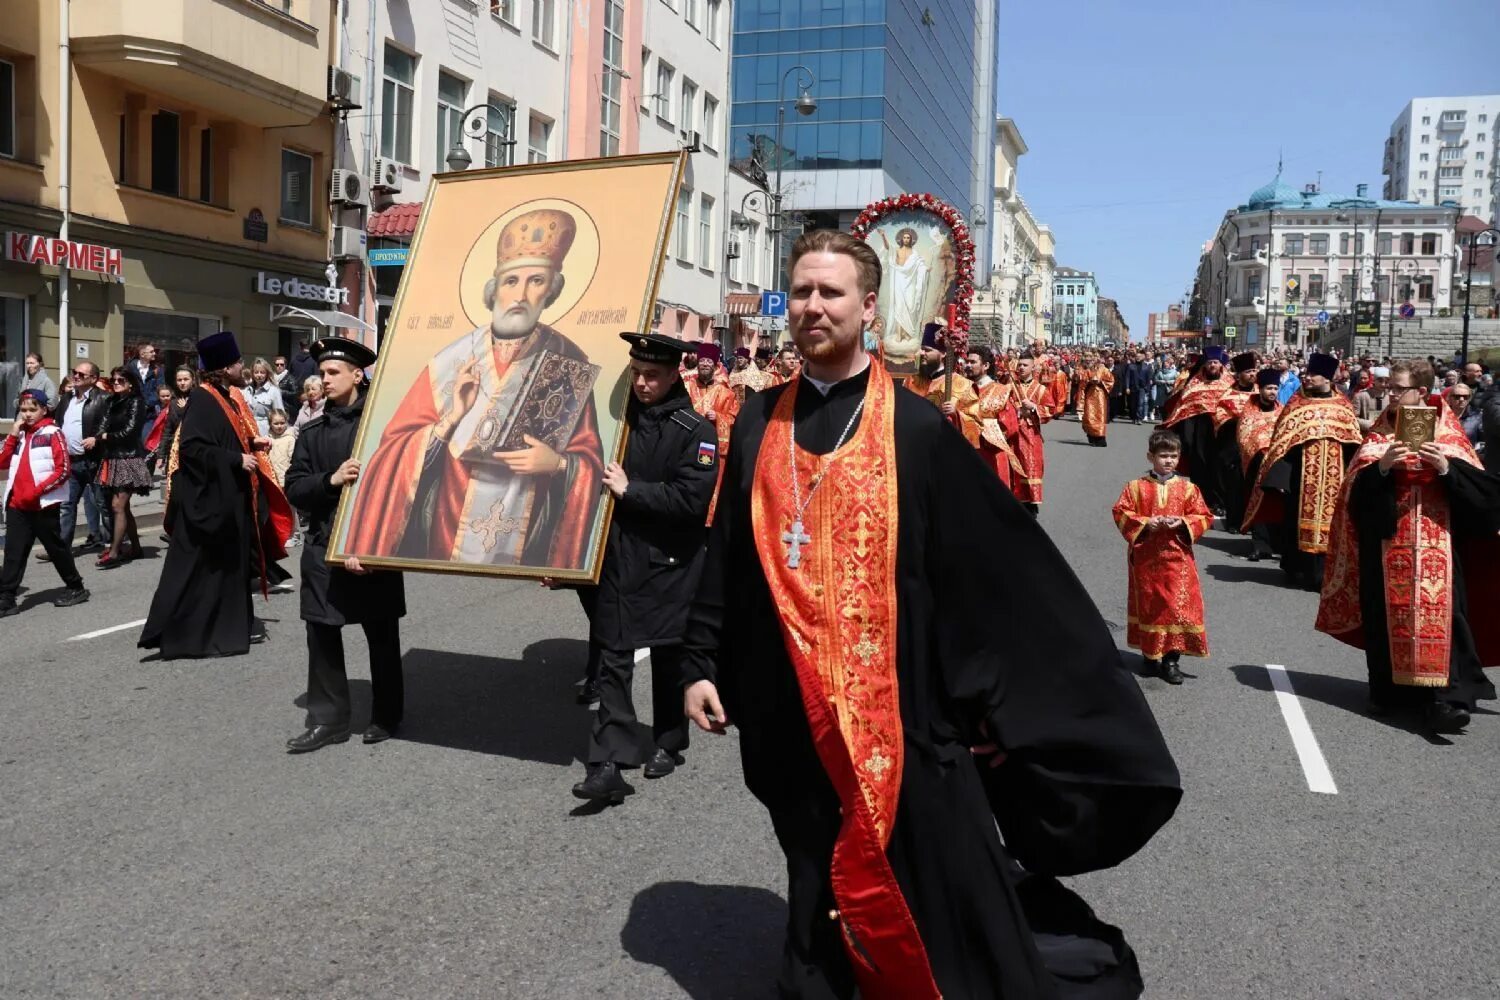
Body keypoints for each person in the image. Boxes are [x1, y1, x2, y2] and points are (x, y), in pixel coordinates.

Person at [680, 229, 1180, 999]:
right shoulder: (754, 422)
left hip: (899, 708)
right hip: (785, 703)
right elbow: (729, 554)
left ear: (869, 306)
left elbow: (986, 577)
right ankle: (819, 974)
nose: (814, 307)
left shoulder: (914, 430)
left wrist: (985, 706)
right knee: (810, 853)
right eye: (804, 291)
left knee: (911, 870)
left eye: (832, 293)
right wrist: (699, 661)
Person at [345, 209, 606, 570]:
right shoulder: (450, 361)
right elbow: (395, 448)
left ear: (552, 291)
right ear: (494, 288)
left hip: (527, 532)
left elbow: (589, 457)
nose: (521, 295)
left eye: (537, 281)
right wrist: (451, 418)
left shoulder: (567, 360)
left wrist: (559, 464)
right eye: (512, 280)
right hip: (444, 527)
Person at [570, 332, 718, 802]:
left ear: (676, 374)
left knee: (669, 654)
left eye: (652, 375)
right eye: (636, 373)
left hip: (669, 561)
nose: (641, 383)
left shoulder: (696, 429)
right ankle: (608, 761)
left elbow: (692, 499)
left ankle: (670, 741)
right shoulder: (616, 423)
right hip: (618, 557)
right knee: (613, 654)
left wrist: (632, 490)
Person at [1317, 360, 1500, 736]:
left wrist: (1448, 470)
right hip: (1388, 544)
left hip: (1441, 546)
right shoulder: (1380, 435)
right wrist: (1381, 469)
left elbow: (1484, 497)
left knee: (1447, 618)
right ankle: (1391, 692)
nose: (1393, 394)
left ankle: (1444, 701)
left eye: (1400, 389)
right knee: (1388, 617)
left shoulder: (1450, 436)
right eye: (1391, 388)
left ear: (1422, 391)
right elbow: (1352, 494)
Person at [283, 337, 407, 752]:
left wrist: (371, 547)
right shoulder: (313, 430)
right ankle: (329, 720)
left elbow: (402, 490)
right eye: (322, 372)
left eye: (334, 372)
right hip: (323, 548)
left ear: (358, 375)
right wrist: (330, 480)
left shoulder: (384, 428)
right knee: (320, 633)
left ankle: (387, 715)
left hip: (373, 549)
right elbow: (295, 487)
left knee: (382, 636)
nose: (325, 379)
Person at [140, 332, 295, 658]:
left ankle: (225, 628)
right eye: (238, 362)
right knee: (198, 573)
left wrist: (251, 445)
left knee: (226, 572)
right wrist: (237, 459)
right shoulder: (204, 398)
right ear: (224, 368)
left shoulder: (226, 396)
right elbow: (194, 448)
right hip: (209, 504)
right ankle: (184, 634)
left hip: (228, 501)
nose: (243, 367)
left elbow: (222, 439)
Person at [1243, 353, 1362, 591]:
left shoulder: (1343, 406)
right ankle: (1298, 569)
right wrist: (1279, 475)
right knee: (1295, 520)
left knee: (1333, 522)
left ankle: (1326, 572)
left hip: (1334, 477)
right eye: (1306, 373)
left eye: (1312, 375)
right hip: (1300, 477)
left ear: (1327, 378)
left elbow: (1354, 439)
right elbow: (1282, 441)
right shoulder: (1297, 404)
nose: (1306, 378)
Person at [1112, 430, 1212, 685]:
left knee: (1177, 607)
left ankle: (1171, 659)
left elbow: (1203, 516)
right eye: (1163, 456)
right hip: (1146, 558)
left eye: (1173, 456)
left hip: (1178, 558)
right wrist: (1146, 522)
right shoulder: (1136, 487)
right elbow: (1121, 512)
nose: (1168, 461)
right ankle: (1150, 655)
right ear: (1151, 457)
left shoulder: (1188, 488)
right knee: (1150, 605)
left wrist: (1181, 522)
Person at [0, 390, 90, 617]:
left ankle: (76, 587)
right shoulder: (19, 434)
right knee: (14, 552)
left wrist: (37, 491)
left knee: (56, 548)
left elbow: (63, 470)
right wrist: (11, 436)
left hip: (43, 504)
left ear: (44, 409)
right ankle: (7, 598)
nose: (28, 414)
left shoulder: (53, 433)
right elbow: (2, 462)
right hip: (17, 504)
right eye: (24, 410)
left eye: (32, 409)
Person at [1158, 345, 1232, 511]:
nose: (1212, 365)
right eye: (1209, 362)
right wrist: (1186, 436)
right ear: (1205, 365)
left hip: (1221, 431)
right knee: (1199, 464)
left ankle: (1218, 502)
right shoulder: (1195, 383)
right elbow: (1185, 406)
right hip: (1199, 428)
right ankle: (1201, 499)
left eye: (1215, 362)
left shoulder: (1229, 384)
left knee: (1219, 466)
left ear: (1221, 364)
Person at [51, 360, 112, 554]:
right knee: (66, 506)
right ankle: (62, 549)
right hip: (71, 461)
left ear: (93, 379)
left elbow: (111, 425)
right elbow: (58, 423)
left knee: (103, 503)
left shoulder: (104, 398)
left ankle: (112, 545)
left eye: (81, 374)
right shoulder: (67, 398)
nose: (75, 376)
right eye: (74, 372)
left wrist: (96, 438)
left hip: (94, 461)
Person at [94, 366, 151, 569]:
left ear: (131, 384)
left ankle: (115, 552)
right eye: (114, 380)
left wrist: (105, 437)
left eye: (121, 380)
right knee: (123, 508)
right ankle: (135, 548)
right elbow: (103, 424)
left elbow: (130, 432)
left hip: (129, 458)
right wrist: (99, 435)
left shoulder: (137, 402)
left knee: (118, 506)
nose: (116, 383)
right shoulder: (111, 401)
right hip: (112, 457)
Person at [684, 341, 739, 523]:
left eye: (709, 361)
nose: (705, 364)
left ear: (716, 366)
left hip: (711, 448)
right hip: (685, 446)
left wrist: (719, 417)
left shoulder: (726, 393)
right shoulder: (685, 388)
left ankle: (709, 523)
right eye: (702, 360)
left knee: (711, 485)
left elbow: (735, 419)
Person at [1210, 352, 1261, 533]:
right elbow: (1219, 417)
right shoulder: (1228, 395)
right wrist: (1238, 419)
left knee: (1253, 486)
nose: (1252, 374)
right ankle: (1233, 521)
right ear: (1239, 374)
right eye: (1248, 371)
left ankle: (1253, 522)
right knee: (1234, 485)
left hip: (1256, 449)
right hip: (1233, 447)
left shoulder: (1261, 393)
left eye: (1254, 370)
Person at [905, 323, 980, 445]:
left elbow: (977, 426)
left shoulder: (963, 385)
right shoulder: (911, 381)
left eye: (928, 350)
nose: (922, 353)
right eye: (922, 349)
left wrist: (956, 414)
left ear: (943, 353)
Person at [1238, 369, 1284, 562]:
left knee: (1277, 505)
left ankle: (1277, 544)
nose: (1272, 392)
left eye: (1275, 388)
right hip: (1256, 464)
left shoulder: (1283, 411)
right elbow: (1244, 437)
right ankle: (1259, 546)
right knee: (1257, 504)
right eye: (1269, 388)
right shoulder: (1249, 412)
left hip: (1278, 465)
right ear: (1260, 389)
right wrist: (1260, 451)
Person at [965, 345, 1022, 492]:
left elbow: (1011, 427)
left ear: (985, 366)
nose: (968, 365)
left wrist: (983, 432)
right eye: (967, 361)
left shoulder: (1000, 391)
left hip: (991, 456)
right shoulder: (962, 389)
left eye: (972, 362)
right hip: (965, 455)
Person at [1008, 352, 1054, 515]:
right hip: (1012, 434)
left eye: (1025, 365)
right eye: (1019, 365)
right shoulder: (1009, 387)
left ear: (1033, 367)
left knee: (1030, 467)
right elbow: (1002, 407)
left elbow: (1049, 410)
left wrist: (1034, 407)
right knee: (1012, 467)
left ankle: (1031, 504)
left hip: (1031, 435)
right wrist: (1018, 411)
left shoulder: (1041, 389)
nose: (1021, 367)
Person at [1076, 353, 1115, 446]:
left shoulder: (1103, 369)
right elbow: (1082, 384)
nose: (1090, 359)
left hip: (1100, 396)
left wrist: (1101, 382)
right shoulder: (1087, 370)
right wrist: (1088, 381)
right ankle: (1092, 437)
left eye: (1092, 357)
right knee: (1089, 416)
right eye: (1087, 357)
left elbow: (1111, 381)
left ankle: (1100, 439)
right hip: (1090, 395)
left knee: (1099, 416)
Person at [243, 358, 281, 436]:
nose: (259, 375)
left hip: (265, 432)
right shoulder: (246, 390)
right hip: (248, 431)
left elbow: (279, 415)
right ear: (252, 374)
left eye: (262, 372)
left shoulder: (273, 391)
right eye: (256, 372)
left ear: (267, 374)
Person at [1353, 365, 1390, 433]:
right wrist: (1368, 424)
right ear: (1374, 380)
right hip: (1367, 435)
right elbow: (1353, 418)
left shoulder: (1390, 397)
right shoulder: (1361, 396)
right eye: (1380, 381)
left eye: (1386, 381)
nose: (1383, 384)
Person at [130, 344, 164, 415]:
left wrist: (146, 404)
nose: (154, 353)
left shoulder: (157, 370)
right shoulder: (130, 368)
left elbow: (159, 390)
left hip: (150, 413)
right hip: (132, 410)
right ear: (142, 354)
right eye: (151, 352)